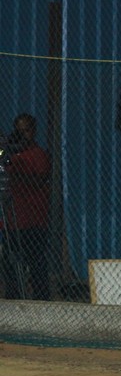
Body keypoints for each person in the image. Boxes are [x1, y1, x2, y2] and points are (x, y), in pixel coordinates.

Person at [1, 113, 52, 300]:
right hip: (13, 222)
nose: (23, 134)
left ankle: (41, 302)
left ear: (34, 131)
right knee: (10, 265)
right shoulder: (10, 155)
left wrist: (12, 160)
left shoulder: (38, 154)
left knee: (37, 265)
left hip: (34, 221)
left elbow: (35, 174)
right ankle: (13, 300)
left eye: (27, 130)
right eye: (19, 131)